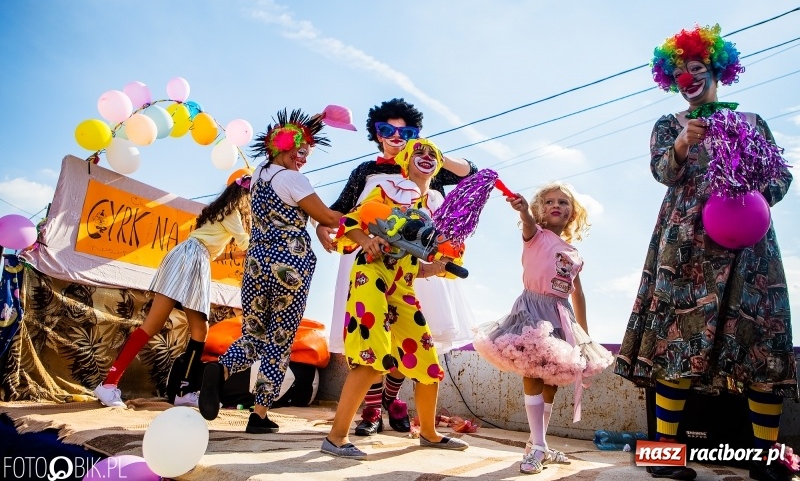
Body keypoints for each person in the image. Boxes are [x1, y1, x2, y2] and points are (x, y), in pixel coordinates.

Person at [614, 24, 796, 481]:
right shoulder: (668, 125)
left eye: (696, 68)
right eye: (679, 73)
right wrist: (681, 145)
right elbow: (661, 172)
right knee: (677, 342)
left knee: (761, 344)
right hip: (686, 247)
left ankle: (768, 464)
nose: (688, 78)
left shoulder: (752, 123)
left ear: (717, 69)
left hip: (748, 250)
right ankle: (663, 459)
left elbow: (780, 180)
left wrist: (747, 185)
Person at [317, 97, 477, 436]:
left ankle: (393, 399)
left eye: (408, 131)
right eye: (386, 130)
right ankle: (371, 410)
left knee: (414, 337)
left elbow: (472, 173)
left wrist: (430, 151)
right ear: (376, 134)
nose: (396, 136)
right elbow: (340, 211)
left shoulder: (425, 164)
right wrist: (322, 228)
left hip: (414, 263)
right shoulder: (366, 171)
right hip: (370, 256)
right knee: (374, 337)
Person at [198, 109, 342, 434]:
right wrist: (363, 222)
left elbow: (304, 206)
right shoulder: (293, 178)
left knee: (253, 335)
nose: (304, 159)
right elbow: (330, 217)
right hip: (288, 266)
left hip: (256, 263)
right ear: (285, 146)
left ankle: (218, 371)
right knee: (279, 342)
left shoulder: (260, 175)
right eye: (302, 151)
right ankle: (259, 414)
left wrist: (314, 121)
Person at [473, 182, 613, 475]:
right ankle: (538, 447)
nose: (556, 205)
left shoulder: (574, 253)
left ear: (572, 213)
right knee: (532, 374)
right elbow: (526, 222)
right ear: (540, 209)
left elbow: (578, 294)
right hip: (533, 311)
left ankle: (538, 444)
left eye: (563, 202)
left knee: (551, 381)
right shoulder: (535, 236)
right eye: (549, 201)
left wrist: (584, 337)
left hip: (562, 317)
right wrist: (524, 210)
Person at [93, 176, 252, 409]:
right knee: (197, 330)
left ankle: (112, 385)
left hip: (187, 256)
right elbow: (247, 244)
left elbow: (215, 251)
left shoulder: (220, 212)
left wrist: (238, 255)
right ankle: (181, 391)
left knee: (161, 325)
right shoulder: (233, 213)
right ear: (245, 199)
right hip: (193, 260)